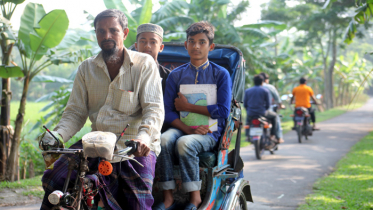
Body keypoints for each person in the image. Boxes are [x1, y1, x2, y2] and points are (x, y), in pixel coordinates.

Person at [39, 9, 164, 210]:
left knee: (138, 204)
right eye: (101, 31)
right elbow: (75, 112)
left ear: (124, 33)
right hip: (95, 143)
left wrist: (144, 138)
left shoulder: (144, 64)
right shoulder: (86, 68)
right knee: (53, 180)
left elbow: (154, 110)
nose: (107, 36)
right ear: (96, 34)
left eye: (113, 30)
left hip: (132, 148)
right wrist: (57, 135)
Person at [154, 21, 232, 210]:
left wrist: (188, 106)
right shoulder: (176, 75)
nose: (196, 46)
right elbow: (167, 112)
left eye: (202, 42)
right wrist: (188, 128)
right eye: (192, 41)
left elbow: (223, 110)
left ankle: (195, 198)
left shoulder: (221, 74)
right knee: (163, 140)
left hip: (209, 132)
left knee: (185, 143)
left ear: (210, 46)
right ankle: (168, 198)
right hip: (181, 128)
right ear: (186, 45)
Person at [135, 23, 171, 94]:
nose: (147, 46)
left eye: (153, 42)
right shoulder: (126, 72)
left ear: (161, 47)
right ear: (136, 46)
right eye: (142, 41)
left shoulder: (168, 77)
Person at [244, 75, 279, 142]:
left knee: (248, 121)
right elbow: (268, 104)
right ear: (262, 82)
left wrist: (249, 110)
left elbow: (245, 104)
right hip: (262, 112)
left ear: (254, 82)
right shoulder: (265, 91)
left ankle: (248, 135)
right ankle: (272, 134)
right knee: (274, 116)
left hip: (251, 113)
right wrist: (264, 110)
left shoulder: (247, 91)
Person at [259, 72, 284, 143]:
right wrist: (281, 105)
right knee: (276, 118)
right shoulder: (269, 87)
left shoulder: (253, 88)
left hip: (254, 111)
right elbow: (277, 99)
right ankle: (278, 136)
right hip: (266, 110)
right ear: (265, 80)